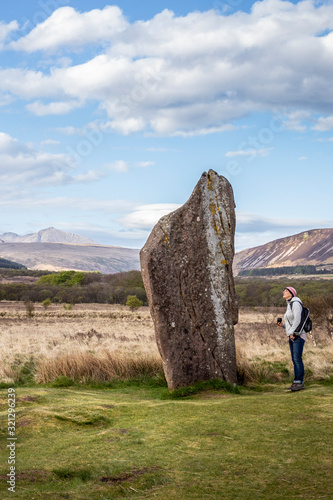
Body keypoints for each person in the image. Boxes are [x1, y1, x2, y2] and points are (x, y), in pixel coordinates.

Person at [277, 286, 306, 391]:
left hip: (298, 335)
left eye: (285, 291)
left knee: (297, 359)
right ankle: (296, 381)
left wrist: (292, 333)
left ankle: (299, 382)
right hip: (292, 335)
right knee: (295, 359)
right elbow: (292, 322)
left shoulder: (296, 303)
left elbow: (298, 320)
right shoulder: (289, 304)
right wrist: (283, 325)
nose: (283, 292)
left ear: (291, 293)